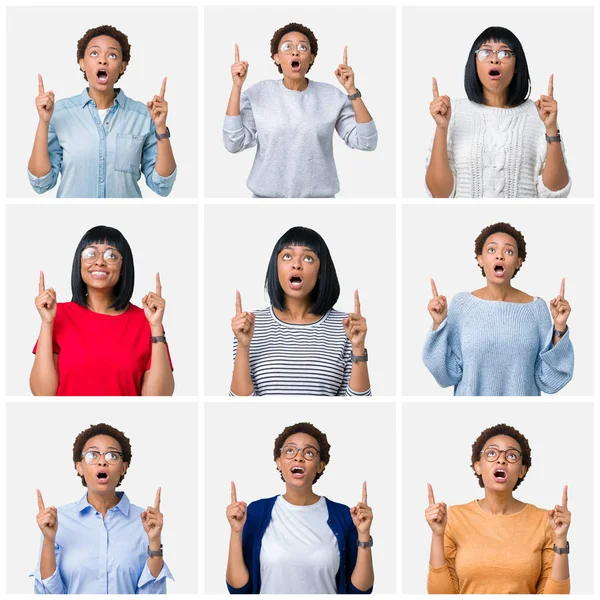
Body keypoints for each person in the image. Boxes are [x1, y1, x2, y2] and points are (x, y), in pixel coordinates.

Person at [223, 23, 378, 197]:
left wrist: (351, 90)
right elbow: (233, 143)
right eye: (287, 47)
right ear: (276, 57)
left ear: (311, 58)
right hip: (266, 201)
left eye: (303, 47)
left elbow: (367, 142)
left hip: (319, 201)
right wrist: (237, 86)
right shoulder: (258, 93)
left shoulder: (332, 97)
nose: (295, 52)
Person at [423, 222, 574, 395]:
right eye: (491, 250)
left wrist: (559, 328)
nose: (500, 256)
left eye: (508, 251)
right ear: (480, 259)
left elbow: (549, 381)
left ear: (518, 262)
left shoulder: (536, 308)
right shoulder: (462, 304)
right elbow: (447, 375)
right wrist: (438, 323)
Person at [28, 24, 176, 198]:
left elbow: (162, 185)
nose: (103, 60)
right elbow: (41, 183)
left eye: (112, 55)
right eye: (94, 53)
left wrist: (160, 128)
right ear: (82, 63)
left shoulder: (143, 115)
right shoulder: (59, 112)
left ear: (122, 66)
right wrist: (44, 121)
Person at [225, 422, 374, 593]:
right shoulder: (257, 512)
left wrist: (364, 535)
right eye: (290, 451)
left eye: (309, 452)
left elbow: (361, 592)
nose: (298, 457)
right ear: (278, 462)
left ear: (320, 465)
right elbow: (238, 589)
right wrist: (236, 532)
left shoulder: (344, 516)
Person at [426, 26, 571, 198]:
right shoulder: (453, 112)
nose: (495, 59)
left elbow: (555, 193)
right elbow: (439, 194)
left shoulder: (539, 113)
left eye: (505, 53)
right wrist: (442, 127)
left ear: (517, 65)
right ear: (475, 62)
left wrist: (551, 128)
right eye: (485, 52)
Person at [425, 423, 570, 594]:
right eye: (492, 453)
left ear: (522, 470)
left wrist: (561, 539)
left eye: (511, 456)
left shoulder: (544, 520)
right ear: (478, 466)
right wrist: (437, 534)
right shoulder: (455, 517)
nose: (501, 459)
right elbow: (441, 595)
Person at [31, 225, 174, 396]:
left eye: (111, 255)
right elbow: (43, 394)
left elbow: (158, 397)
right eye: (91, 254)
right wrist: (47, 323)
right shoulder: (58, 316)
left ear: (123, 268)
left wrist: (157, 326)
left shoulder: (146, 321)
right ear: (80, 263)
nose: (99, 261)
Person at [32, 423, 172, 593]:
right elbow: (47, 594)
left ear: (123, 467)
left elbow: (153, 593)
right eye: (92, 455)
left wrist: (155, 541)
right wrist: (48, 540)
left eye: (112, 455)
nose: (102, 461)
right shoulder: (58, 520)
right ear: (79, 466)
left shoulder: (144, 521)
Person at [230, 226, 370, 396]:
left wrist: (358, 348)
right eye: (287, 256)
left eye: (308, 258)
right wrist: (243, 345)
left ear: (320, 271)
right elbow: (242, 406)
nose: (296, 265)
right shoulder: (250, 324)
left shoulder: (346, 326)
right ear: (276, 266)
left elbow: (355, 408)